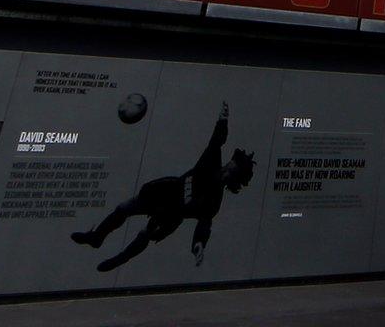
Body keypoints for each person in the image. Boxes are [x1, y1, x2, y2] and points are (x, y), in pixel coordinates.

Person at [72, 104, 256, 271]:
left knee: (146, 233)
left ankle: (121, 258)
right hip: (166, 191)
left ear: (233, 180)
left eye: (231, 172)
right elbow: (217, 140)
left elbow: (204, 224)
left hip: (173, 214)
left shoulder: (214, 200)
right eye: (229, 166)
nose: (226, 171)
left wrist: (199, 244)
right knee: (124, 208)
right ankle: (97, 237)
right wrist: (223, 119)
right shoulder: (211, 162)